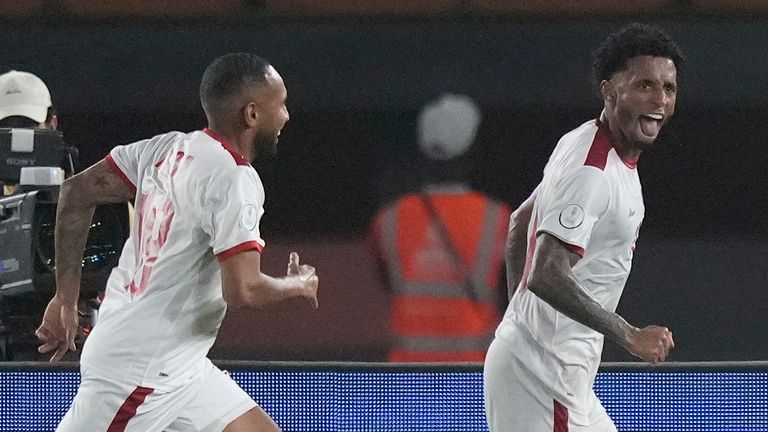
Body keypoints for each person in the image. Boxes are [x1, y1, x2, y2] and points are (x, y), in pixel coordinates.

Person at [35, 52, 319, 431]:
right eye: (281, 105)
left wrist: (64, 299)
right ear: (251, 114)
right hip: (139, 373)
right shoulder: (234, 178)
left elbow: (75, 192)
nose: (286, 116)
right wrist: (299, 285)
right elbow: (243, 290)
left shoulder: (163, 149)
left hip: (181, 366)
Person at [483, 23, 683, 431]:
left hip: (555, 374)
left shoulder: (587, 140)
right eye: (645, 85)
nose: (660, 99)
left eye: (668, 87)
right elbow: (546, 273)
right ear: (610, 92)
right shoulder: (593, 172)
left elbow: (521, 223)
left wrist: (519, 325)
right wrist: (629, 335)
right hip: (543, 379)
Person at [370, 93, 510, 362]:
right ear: (473, 153)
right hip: (472, 372)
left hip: (406, 372)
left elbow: (385, 278)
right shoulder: (498, 218)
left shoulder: (388, 219)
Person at [0, 69, 60, 195]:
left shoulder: (75, 192)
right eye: (4, 127)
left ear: (52, 124)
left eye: (27, 125)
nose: (16, 133)